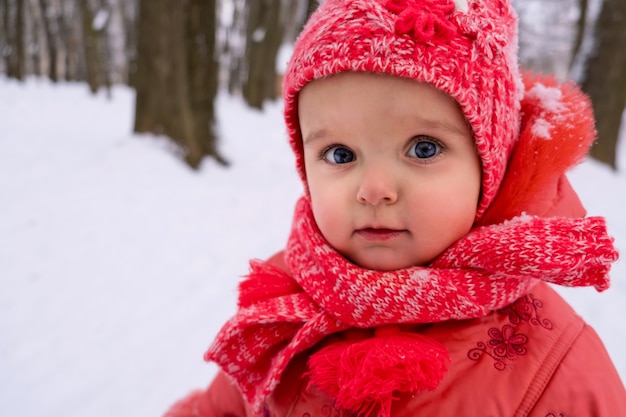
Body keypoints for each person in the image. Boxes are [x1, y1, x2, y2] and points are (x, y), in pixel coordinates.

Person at [164, 0, 625, 415]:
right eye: (340, 155)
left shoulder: (555, 366)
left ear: (492, 165)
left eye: (423, 149)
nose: (374, 189)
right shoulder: (287, 300)